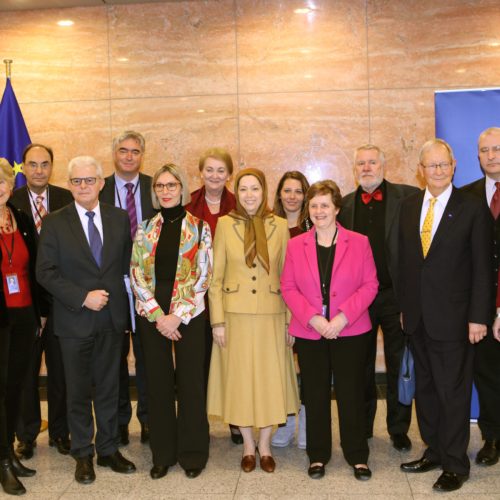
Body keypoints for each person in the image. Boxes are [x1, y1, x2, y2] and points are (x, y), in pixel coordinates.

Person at [398, 139, 492, 492]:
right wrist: (406, 310)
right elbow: (405, 263)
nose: (437, 171)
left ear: (454, 166)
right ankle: (434, 451)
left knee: (453, 393)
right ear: (420, 170)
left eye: (443, 164)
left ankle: (456, 464)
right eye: (430, 165)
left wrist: (479, 317)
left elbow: (483, 267)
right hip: (418, 318)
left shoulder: (471, 207)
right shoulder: (408, 207)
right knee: (427, 389)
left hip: (456, 320)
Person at [36, 156, 135, 485]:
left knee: (109, 387)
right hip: (73, 320)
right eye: (76, 181)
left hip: (110, 319)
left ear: (101, 183)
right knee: (77, 392)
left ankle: (108, 449)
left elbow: (125, 267)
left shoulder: (119, 219)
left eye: (89, 180)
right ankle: (82, 453)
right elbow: (45, 272)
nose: (83, 186)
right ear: (69, 184)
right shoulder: (54, 222)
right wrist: (82, 296)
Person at [281, 180, 378, 481]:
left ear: (337, 208)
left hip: (349, 330)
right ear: (308, 210)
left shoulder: (359, 242)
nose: (319, 211)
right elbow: (288, 286)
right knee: (315, 393)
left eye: (325, 205)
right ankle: (318, 455)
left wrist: (341, 318)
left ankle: (357, 456)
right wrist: (314, 319)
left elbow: (370, 285)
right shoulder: (297, 244)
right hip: (311, 332)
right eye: (314, 206)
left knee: (351, 393)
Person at [207, 168, 299, 474]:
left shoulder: (280, 225)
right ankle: (248, 445)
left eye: (255, 189)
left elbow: (288, 278)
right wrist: (217, 321)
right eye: (243, 189)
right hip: (234, 317)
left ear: (263, 191)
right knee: (240, 382)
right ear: (237, 192)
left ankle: (265, 446)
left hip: (272, 315)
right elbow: (215, 278)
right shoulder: (223, 224)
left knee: (270, 382)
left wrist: (290, 321)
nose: (249, 195)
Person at [130, 164, 212, 480]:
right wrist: (158, 315)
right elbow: (136, 273)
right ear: (155, 192)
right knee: (158, 383)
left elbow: (204, 275)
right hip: (154, 313)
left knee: (191, 383)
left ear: (182, 188)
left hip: (189, 311)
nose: (166, 191)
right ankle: (163, 454)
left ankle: (193, 454)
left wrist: (178, 315)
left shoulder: (200, 227)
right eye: (160, 186)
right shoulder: (144, 228)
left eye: (171, 185)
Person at [338, 144, 418, 451]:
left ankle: (398, 428)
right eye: (361, 163)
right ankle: (363, 426)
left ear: (383, 165)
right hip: (358, 299)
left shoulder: (408, 197)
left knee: (399, 364)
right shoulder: (343, 205)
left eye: (372, 162)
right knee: (361, 364)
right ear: (354, 168)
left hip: (396, 296)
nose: (367, 167)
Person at [10, 144, 73, 460]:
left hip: (62, 303)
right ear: (23, 167)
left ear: (52, 166)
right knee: (25, 372)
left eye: (44, 164)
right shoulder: (11, 201)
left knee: (61, 372)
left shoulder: (66, 198)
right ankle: (27, 435)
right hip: (25, 305)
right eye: (32, 164)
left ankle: (61, 433)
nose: (38, 170)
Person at [100, 130, 155, 446]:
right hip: (113, 284)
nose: (129, 156)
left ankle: (148, 419)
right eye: (124, 150)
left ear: (142, 155)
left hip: (148, 285)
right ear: (114, 154)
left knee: (148, 356)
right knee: (114, 357)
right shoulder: (100, 188)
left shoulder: (154, 187)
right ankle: (119, 421)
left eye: (135, 151)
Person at [184, 148, 239, 443]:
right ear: (201, 172)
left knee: (230, 360)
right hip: (195, 297)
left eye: (221, 171)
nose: (215, 176)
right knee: (200, 361)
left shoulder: (240, 204)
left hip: (231, 297)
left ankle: (234, 418)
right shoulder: (188, 203)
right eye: (210, 170)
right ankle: (199, 420)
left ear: (228, 175)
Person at [0, 159, 41, 495]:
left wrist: (40, 312)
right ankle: (1, 461)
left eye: (2, 181)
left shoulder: (21, 218)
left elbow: (36, 266)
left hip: (24, 315)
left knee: (16, 386)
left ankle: (10, 451)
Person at [461, 127, 500, 466]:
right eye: (485, 150)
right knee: (487, 375)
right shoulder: (468, 197)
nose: (491, 156)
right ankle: (492, 437)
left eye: (497, 149)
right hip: (483, 308)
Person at [271, 170, 311, 449]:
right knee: (282, 369)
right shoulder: (269, 225)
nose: (292, 197)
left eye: (298, 191)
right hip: (274, 307)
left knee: (308, 369)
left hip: (306, 309)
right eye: (287, 191)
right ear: (279, 194)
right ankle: (285, 423)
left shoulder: (315, 226)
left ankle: (308, 424)